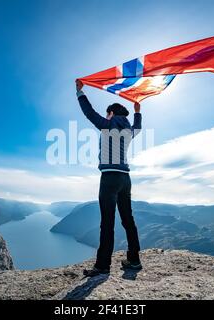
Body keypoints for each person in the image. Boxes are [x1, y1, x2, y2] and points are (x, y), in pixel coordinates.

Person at [75, 79, 142, 277]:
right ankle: (134, 260)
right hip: (125, 179)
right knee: (128, 219)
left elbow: (89, 113)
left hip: (109, 178)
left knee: (107, 222)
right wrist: (137, 111)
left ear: (111, 113)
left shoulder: (107, 125)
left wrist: (80, 92)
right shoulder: (130, 130)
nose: (105, 116)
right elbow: (138, 126)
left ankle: (103, 265)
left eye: (107, 113)